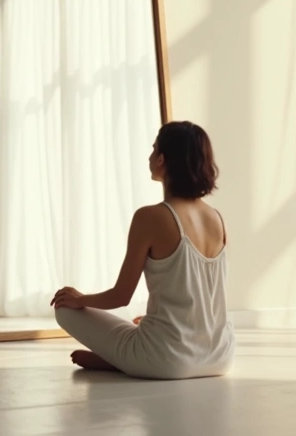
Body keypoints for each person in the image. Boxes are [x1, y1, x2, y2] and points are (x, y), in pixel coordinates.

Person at [51, 121, 235, 380]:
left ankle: (122, 360)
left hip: (167, 360)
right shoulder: (216, 218)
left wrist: (80, 299)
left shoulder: (150, 217)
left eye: (153, 150)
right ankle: (126, 357)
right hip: (220, 357)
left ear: (161, 160)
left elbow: (120, 296)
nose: (149, 156)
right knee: (140, 324)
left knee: (65, 310)